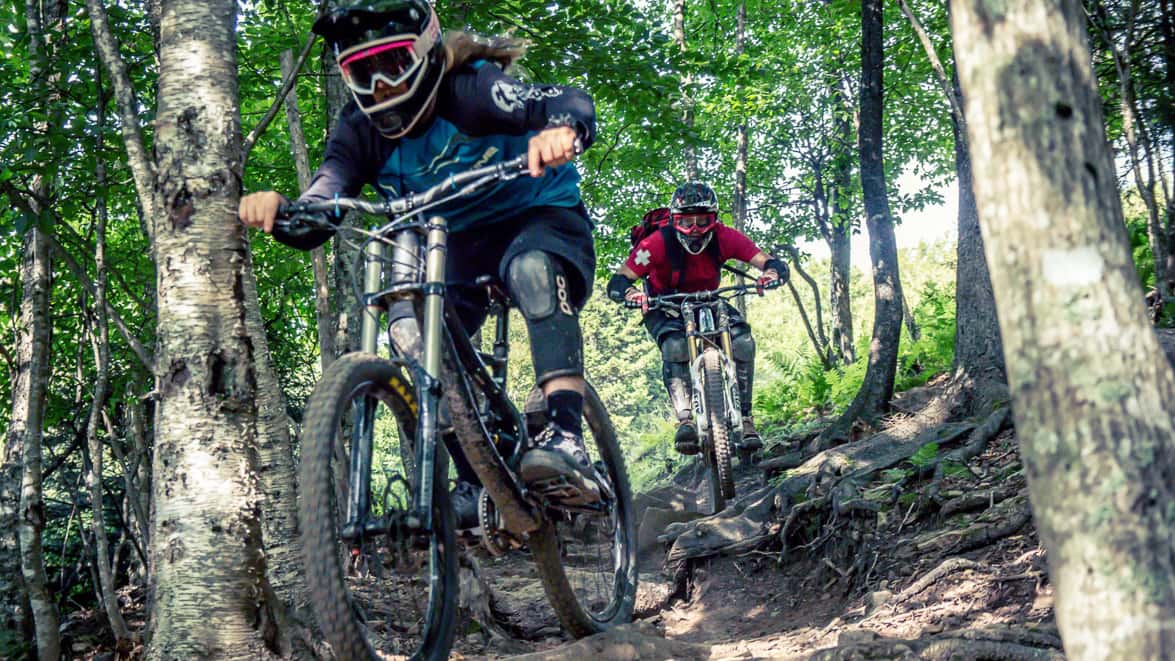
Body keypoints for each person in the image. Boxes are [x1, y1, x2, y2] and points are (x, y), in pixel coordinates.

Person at [238, 0, 602, 523]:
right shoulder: (357, 130)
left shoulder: (469, 90)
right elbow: (327, 198)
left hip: (535, 216)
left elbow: (562, 99)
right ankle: (477, 475)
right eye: (364, 71)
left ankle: (566, 438)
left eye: (394, 63)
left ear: (427, 52)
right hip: (449, 241)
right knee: (410, 333)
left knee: (533, 272)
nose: (382, 85)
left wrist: (563, 128)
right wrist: (281, 212)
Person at [606, 182, 788, 455]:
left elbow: (768, 261)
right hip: (664, 303)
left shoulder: (726, 237)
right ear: (673, 220)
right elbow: (619, 281)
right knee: (675, 346)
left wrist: (770, 274)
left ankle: (747, 419)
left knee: (743, 342)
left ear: (714, 220)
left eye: (703, 221)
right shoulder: (655, 243)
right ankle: (686, 420)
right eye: (686, 221)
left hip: (710, 298)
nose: (694, 229)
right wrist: (631, 293)